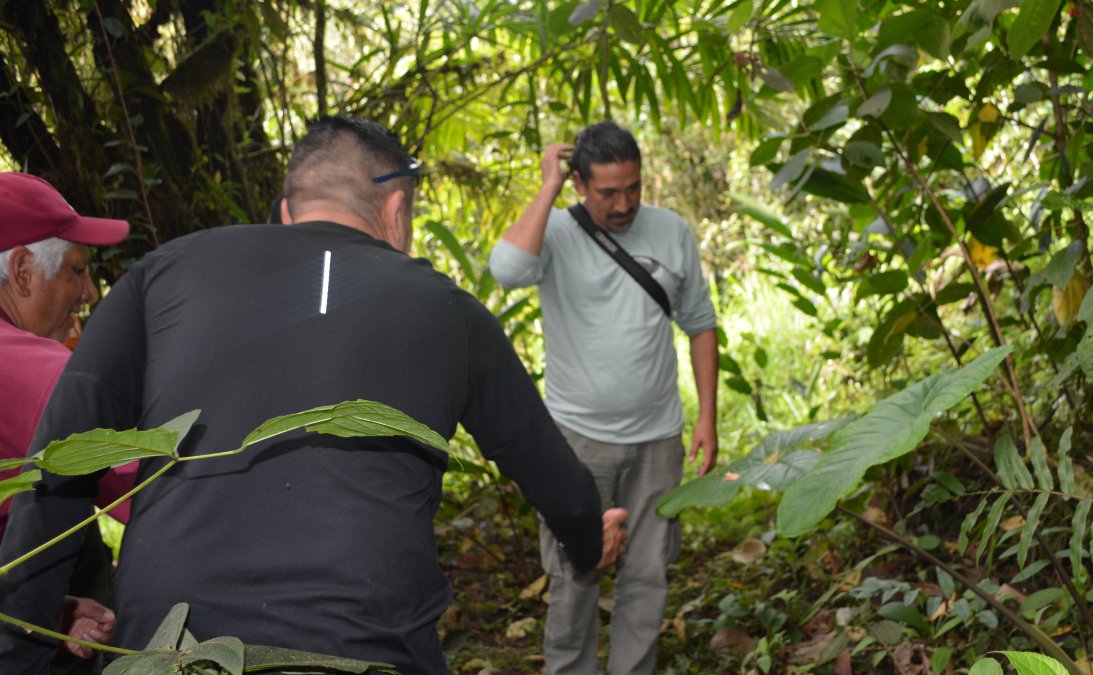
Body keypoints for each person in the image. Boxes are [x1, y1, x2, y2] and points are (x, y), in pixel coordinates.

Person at [0, 116, 627, 674]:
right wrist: (588, 542)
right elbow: (548, 472)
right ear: (397, 210)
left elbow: (56, 469)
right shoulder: (449, 310)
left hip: (174, 646)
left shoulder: (163, 273)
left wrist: (19, 650)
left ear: (285, 210)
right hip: (367, 644)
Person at [488, 121, 719, 675]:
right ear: (579, 186)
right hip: (576, 438)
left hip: (657, 437)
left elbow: (701, 324)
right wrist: (546, 186)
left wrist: (706, 418)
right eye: (608, 192)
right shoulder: (556, 234)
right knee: (575, 575)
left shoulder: (671, 231)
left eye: (633, 188)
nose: (623, 204)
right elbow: (506, 270)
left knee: (648, 573)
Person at [0, 172, 132, 667]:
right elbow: (158, 485)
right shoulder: (34, 372)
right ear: (22, 272)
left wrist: (47, 613)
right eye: (77, 271)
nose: (90, 293)